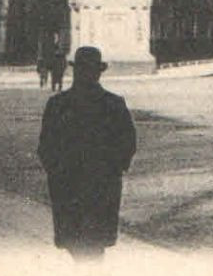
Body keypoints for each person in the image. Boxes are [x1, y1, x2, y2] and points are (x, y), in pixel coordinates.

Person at [36, 46, 137, 262]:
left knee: (78, 243)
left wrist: (57, 172)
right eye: (87, 69)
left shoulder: (57, 104)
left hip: (70, 185)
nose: (88, 74)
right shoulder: (113, 103)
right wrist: (114, 169)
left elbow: (45, 147)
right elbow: (127, 143)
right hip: (100, 185)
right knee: (94, 244)